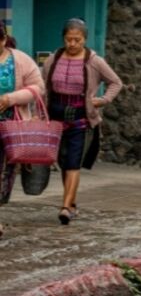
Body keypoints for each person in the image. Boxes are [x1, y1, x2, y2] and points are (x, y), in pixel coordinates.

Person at [41, 19, 122, 225]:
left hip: (80, 117)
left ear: (85, 40)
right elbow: (41, 85)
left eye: (77, 40)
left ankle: (66, 207)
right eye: (69, 39)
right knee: (62, 160)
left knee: (73, 162)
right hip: (55, 116)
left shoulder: (94, 61)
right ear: (63, 38)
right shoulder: (53, 59)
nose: (73, 43)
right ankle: (72, 203)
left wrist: (103, 100)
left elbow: (116, 82)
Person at [0, 22, 46, 239]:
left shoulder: (20, 60)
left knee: (5, 172)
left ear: (3, 40)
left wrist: (11, 99)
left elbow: (38, 87)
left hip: (12, 125)